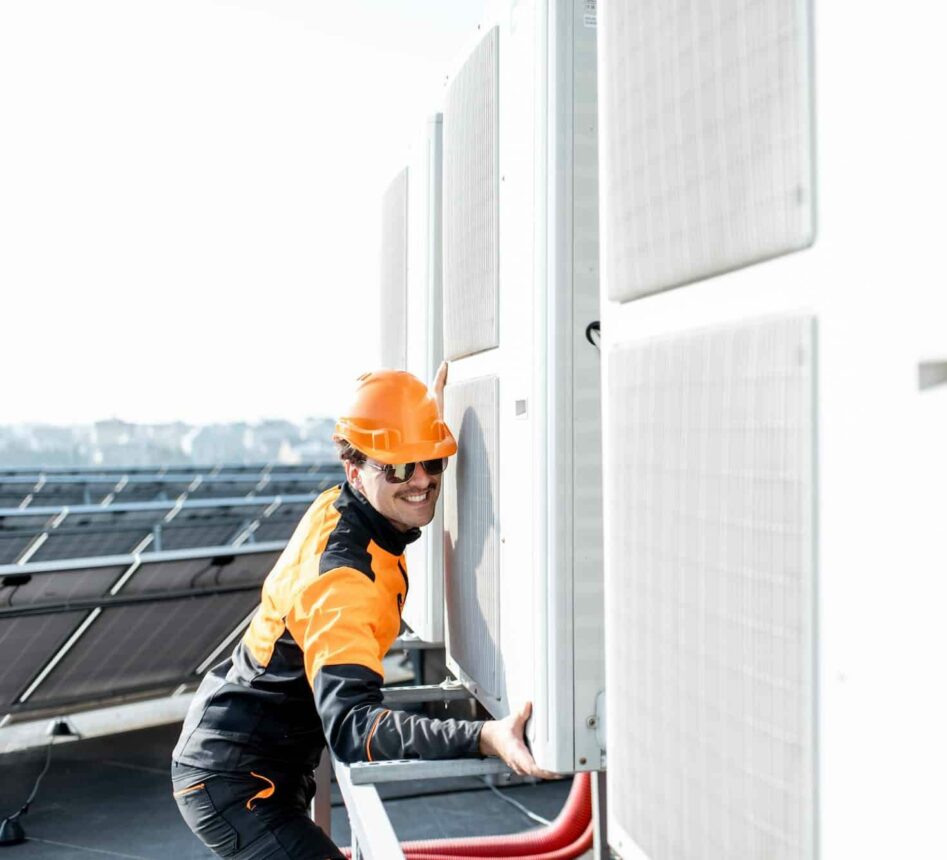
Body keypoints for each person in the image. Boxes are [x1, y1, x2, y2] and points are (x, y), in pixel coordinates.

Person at [170, 366, 553, 859]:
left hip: (262, 761)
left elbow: (401, 461)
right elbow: (355, 728)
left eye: (431, 461)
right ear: (354, 471)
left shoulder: (347, 505)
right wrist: (483, 736)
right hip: (236, 780)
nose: (420, 480)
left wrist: (424, 418)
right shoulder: (344, 582)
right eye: (397, 467)